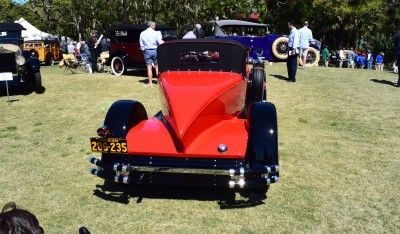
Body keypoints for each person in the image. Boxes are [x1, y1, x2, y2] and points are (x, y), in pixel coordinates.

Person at [139, 21, 164, 87]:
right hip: (155, 50)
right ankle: (158, 82)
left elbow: (141, 44)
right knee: (156, 66)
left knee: (149, 68)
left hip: (147, 51)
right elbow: (160, 42)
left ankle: (150, 83)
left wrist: (144, 50)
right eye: (154, 25)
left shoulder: (142, 33)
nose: (155, 27)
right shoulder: (156, 33)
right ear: (151, 25)